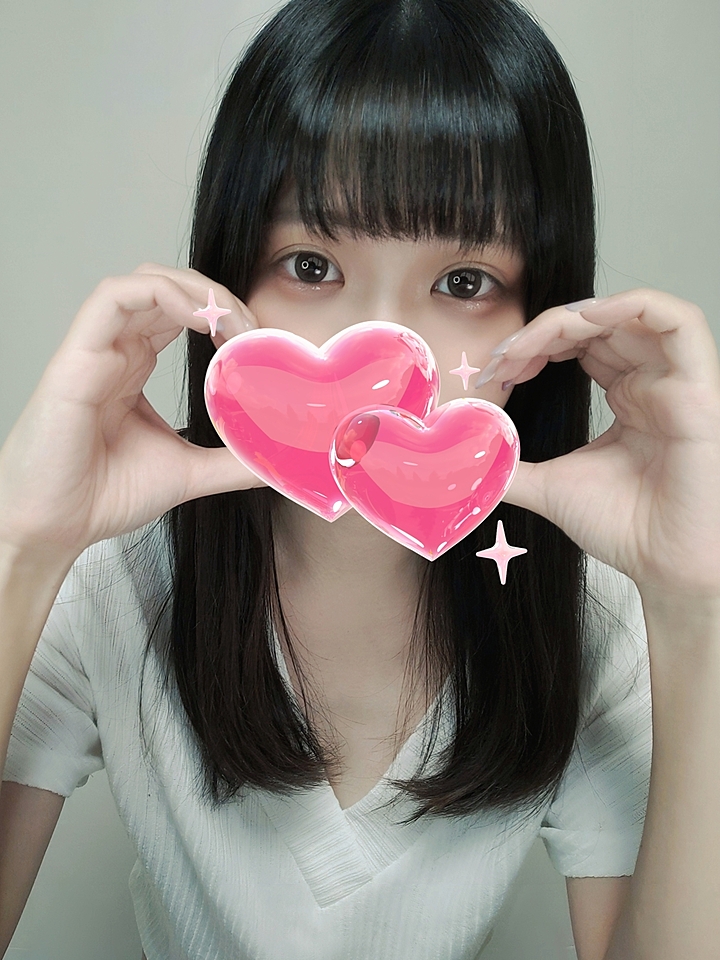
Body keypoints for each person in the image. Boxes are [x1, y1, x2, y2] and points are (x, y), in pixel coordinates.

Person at [1, 0, 719, 958]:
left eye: (464, 283)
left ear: (542, 321)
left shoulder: (597, 625)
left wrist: (696, 608)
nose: (388, 355)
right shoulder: (108, 582)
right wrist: (19, 543)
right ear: (227, 280)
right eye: (311, 265)